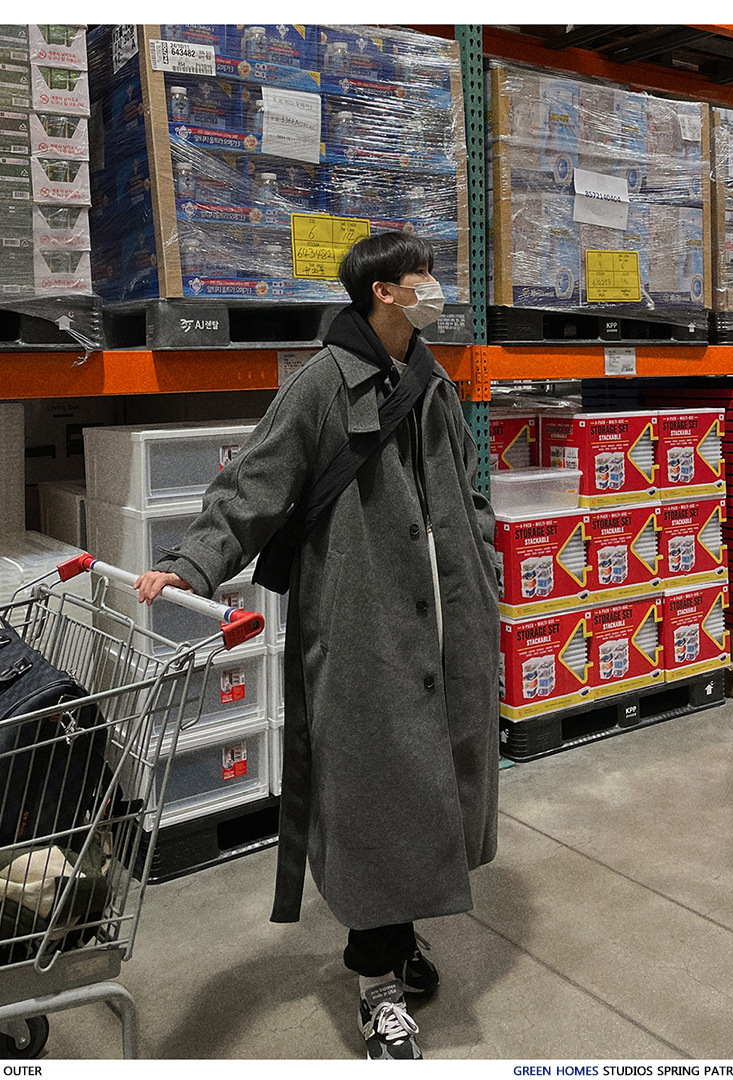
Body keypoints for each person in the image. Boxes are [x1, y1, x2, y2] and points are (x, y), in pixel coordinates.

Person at [135, 231, 501, 1060]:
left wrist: (482, 567)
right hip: (367, 631)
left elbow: (467, 485)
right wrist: (190, 563)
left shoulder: (433, 380)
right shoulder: (321, 384)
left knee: (433, 787)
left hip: (450, 629)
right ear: (383, 292)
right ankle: (376, 984)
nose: (434, 286)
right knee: (376, 795)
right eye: (420, 276)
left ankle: (396, 936)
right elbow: (251, 485)